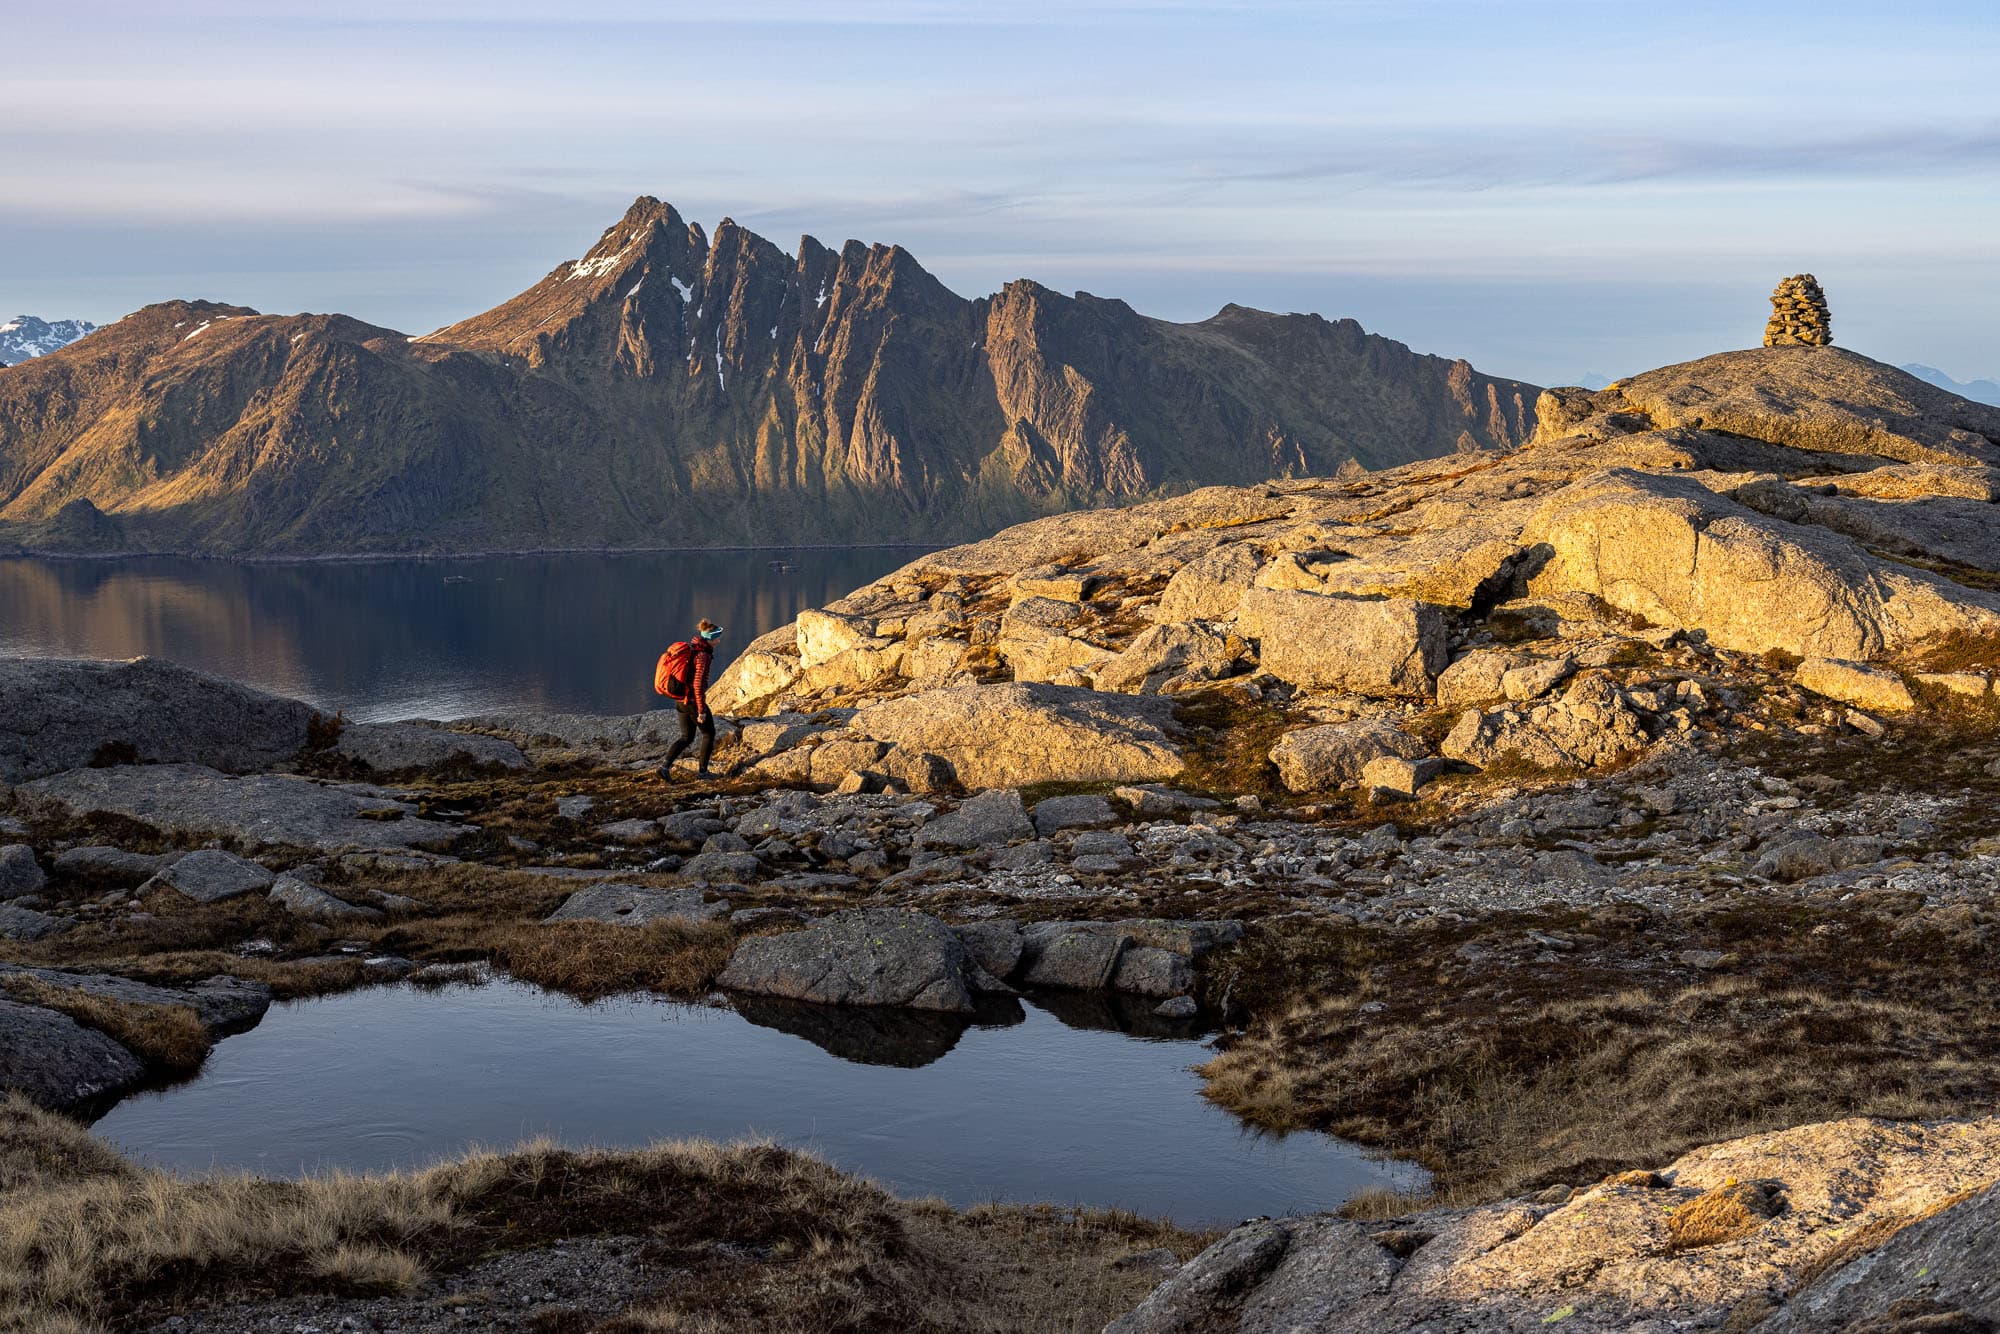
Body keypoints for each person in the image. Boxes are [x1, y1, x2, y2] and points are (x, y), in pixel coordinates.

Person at [658, 620, 722, 780]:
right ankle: (703, 772)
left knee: (686, 737)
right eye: (717, 637)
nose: (719, 640)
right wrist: (701, 710)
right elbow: (698, 685)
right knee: (709, 733)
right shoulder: (703, 656)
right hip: (693, 701)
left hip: (681, 701)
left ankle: (664, 767)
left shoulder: (693, 650)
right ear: (710, 639)